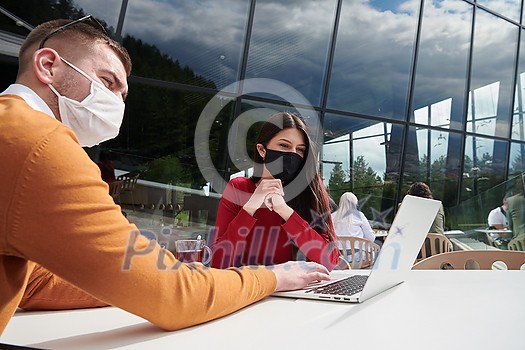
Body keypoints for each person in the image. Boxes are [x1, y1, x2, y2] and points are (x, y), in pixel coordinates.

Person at [0, 17, 330, 334]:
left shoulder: (15, 133)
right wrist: (272, 277)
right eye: (108, 81)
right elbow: (177, 296)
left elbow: (35, 283)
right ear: (47, 65)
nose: (116, 101)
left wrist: (144, 278)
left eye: (122, 94)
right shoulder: (41, 146)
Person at [210, 112, 340, 270]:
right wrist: (251, 206)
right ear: (262, 150)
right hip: (252, 289)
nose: (292, 154)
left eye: (300, 150)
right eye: (284, 145)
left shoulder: (311, 188)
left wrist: (285, 211)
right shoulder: (238, 189)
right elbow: (218, 263)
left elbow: (330, 260)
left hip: (297, 291)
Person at [331, 192, 376, 264]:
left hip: (339, 257)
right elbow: (371, 238)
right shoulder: (359, 215)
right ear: (354, 203)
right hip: (359, 257)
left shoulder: (332, 216)